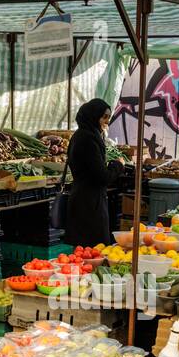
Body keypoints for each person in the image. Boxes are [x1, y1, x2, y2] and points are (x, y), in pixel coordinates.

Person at [63, 98, 121, 248]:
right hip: (89, 206)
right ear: (93, 116)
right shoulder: (89, 139)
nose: (107, 121)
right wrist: (118, 165)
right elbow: (103, 177)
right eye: (104, 117)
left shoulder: (80, 135)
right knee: (94, 251)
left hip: (82, 200)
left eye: (108, 117)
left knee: (82, 251)